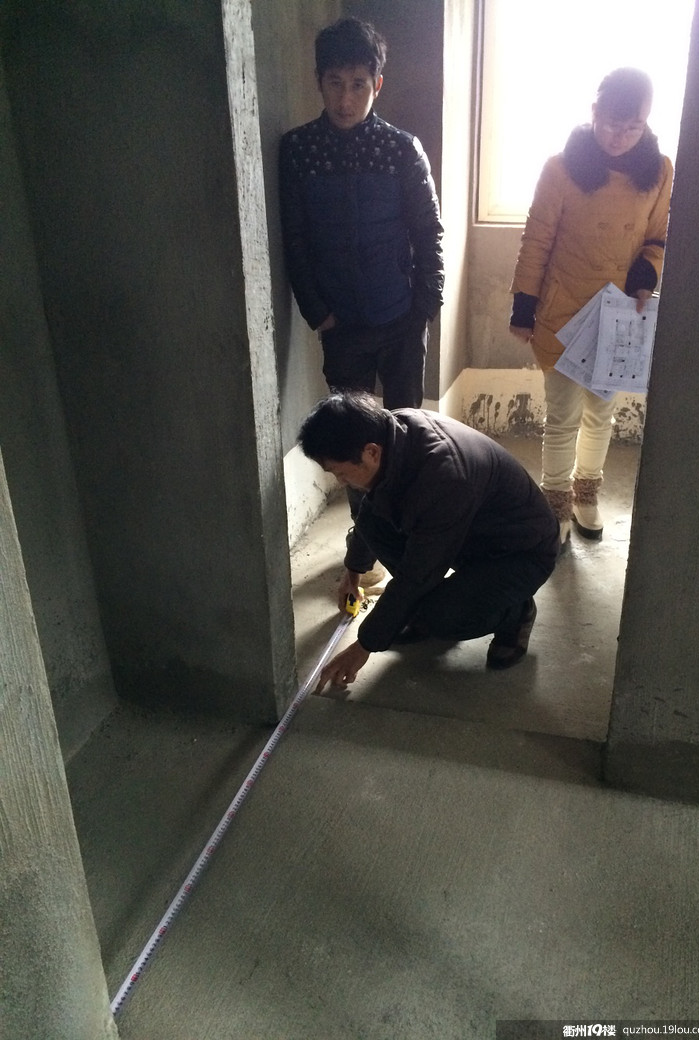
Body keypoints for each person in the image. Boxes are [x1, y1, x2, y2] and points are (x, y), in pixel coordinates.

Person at [279, 17, 445, 587]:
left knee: (404, 431)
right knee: (352, 439)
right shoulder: (299, 150)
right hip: (341, 325)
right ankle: (365, 547)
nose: (346, 98)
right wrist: (317, 311)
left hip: (401, 318)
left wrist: (425, 303)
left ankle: (408, 536)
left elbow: (428, 231)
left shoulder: (401, 149)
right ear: (319, 82)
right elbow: (295, 240)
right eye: (334, 83)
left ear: (377, 83)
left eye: (357, 84)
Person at [508, 67, 673, 546]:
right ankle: (555, 501)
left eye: (633, 127)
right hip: (563, 310)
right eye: (611, 124)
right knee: (562, 415)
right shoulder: (561, 168)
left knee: (601, 413)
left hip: (618, 313)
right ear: (594, 111)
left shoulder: (659, 169)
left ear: (646, 122)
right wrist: (523, 307)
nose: (619, 137)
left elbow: (658, 235)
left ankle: (586, 492)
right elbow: (537, 239)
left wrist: (645, 275)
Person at [296, 392, 559, 692]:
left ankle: (516, 612)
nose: (341, 482)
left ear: (371, 452)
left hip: (521, 552)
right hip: (472, 535)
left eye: (342, 473)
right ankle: (418, 609)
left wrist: (363, 645)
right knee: (372, 522)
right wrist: (353, 572)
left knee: (439, 617)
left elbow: (417, 574)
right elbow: (371, 512)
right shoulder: (390, 433)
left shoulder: (444, 476)